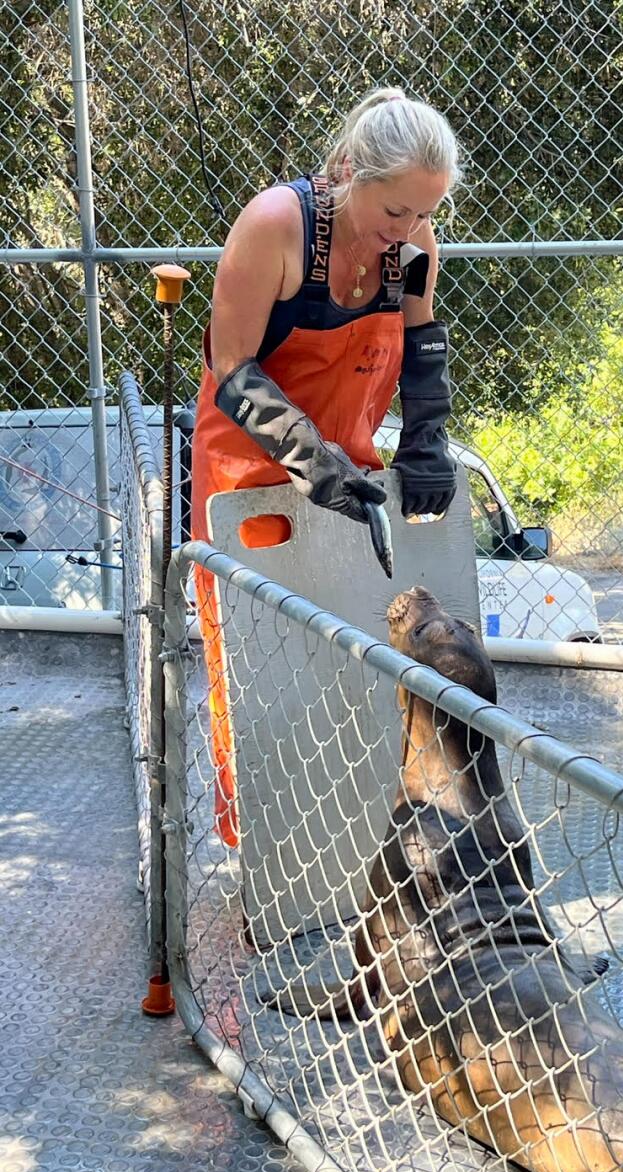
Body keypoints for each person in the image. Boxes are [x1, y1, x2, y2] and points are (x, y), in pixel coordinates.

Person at [191, 87, 462, 845]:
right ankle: (263, 859)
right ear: (350, 170)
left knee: (355, 663)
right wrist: (313, 463)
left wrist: (426, 441)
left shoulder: (411, 251)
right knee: (255, 673)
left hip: (352, 475)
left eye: (424, 214)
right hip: (251, 474)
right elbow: (233, 366)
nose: (407, 233)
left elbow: (422, 349)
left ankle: (359, 848)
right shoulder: (278, 226)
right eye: (395, 211)